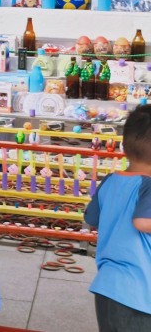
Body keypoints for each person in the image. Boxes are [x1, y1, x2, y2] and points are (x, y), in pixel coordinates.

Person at [84, 103, 151, 331]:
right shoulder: (149, 186)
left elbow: (91, 218)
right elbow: (142, 222)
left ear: (123, 146)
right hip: (138, 293)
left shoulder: (110, 181)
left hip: (107, 287)